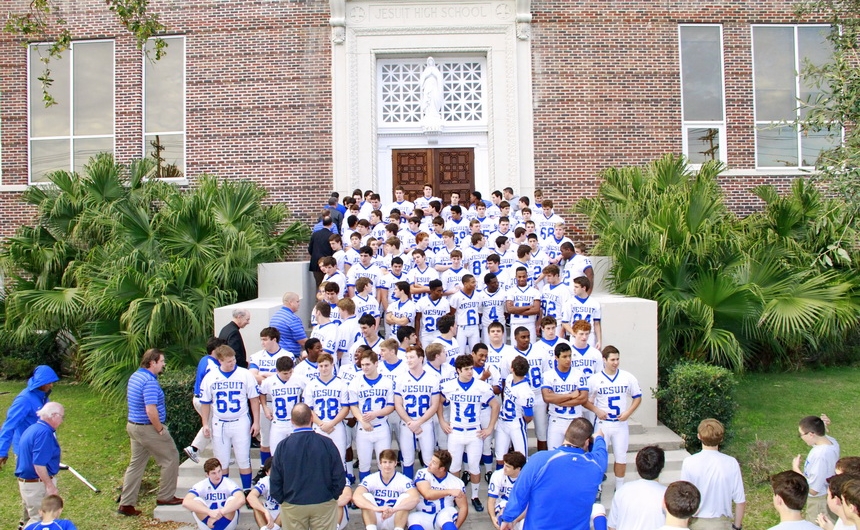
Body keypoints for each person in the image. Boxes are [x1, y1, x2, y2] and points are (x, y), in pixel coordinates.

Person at [500, 417, 608, 530]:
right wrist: (599, 437)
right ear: (586, 442)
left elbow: (520, 492)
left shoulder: (539, 460)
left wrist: (507, 518)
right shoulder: (596, 465)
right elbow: (601, 451)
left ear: (566, 432)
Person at [118, 349, 181, 517]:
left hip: (133, 426)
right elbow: (150, 409)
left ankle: (126, 503)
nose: (164, 364)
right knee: (171, 458)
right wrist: (159, 428)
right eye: (161, 361)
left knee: (136, 464)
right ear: (152, 362)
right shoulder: (149, 382)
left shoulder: (135, 376)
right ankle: (166, 497)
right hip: (148, 428)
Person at [438, 354, 500, 512]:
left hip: (474, 432)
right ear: (458, 370)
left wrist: (490, 427)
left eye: (471, 368)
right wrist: (442, 421)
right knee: (454, 467)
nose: (470, 372)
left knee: (474, 467)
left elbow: (495, 405)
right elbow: (438, 401)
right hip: (456, 432)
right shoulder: (449, 386)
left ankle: (475, 496)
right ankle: (455, 495)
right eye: (466, 369)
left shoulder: (481, 386)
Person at [270, 403, 346, 530]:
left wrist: (283, 500)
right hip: (323, 502)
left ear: (292, 420)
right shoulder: (326, 443)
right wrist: (332, 496)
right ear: (311, 418)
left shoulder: (283, 446)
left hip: (293, 503)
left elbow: (275, 478)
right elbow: (339, 474)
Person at [200, 345, 261, 489]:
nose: (232, 363)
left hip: (240, 421)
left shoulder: (244, 374)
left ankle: (246, 490)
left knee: (243, 458)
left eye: (233, 359)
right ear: (220, 361)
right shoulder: (211, 376)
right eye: (228, 361)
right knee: (222, 461)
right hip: (220, 422)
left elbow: (254, 399)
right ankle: (224, 490)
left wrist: (256, 422)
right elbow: (205, 402)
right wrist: (205, 423)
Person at [585, 345, 642, 491]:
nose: (615, 362)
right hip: (603, 424)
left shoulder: (627, 377)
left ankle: (620, 487)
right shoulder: (595, 379)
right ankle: (597, 487)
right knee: (598, 456)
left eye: (617, 359)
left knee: (621, 456)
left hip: (620, 423)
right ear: (604, 360)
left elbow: (637, 397)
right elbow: (585, 400)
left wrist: (628, 412)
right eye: (612, 359)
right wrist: (597, 410)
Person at [680, 418, 745, 530]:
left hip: (696, 523)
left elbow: (685, 497)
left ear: (699, 436)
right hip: (722, 523)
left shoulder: (689, 462)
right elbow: (740, 500)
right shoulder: (731, 463)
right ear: (721, 439)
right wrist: (737, 526)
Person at [394, 345, 440, 479]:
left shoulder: (432, 378)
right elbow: (398, 404)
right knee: (407, 459)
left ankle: (427, 487)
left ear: (421, 358)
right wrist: (410, 422)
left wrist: (418, 422)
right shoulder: (400, 379)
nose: (409, 360)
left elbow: (434, 404)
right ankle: (409, 488)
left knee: (428, 459)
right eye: (407, 357)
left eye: (412, 357)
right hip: (406, 423)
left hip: (425, 423)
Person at [348, 349, 395, 481]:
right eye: (362, 365)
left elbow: (391, 406)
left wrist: (376, 413)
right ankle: (365, 493)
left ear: (376, 363)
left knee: (385, 463)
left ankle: (385, 491)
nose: (365, 367)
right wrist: (362, 421)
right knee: (364, 464)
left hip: (381, 426)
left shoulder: (387, 382)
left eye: (368, 364)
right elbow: (354, 406)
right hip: (363, 428)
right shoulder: (356, 382)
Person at [0, 365, 59, 471]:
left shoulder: (43, 397)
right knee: (32, 485)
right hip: (27, 452)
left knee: (46, 483)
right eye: (48, 382)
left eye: (52, 382)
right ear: (40, 383)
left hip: (42, 448)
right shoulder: (24, 400)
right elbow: (9, 425)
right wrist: (2, 451)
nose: (51, 385)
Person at [15, 402, 65, 527]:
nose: (62, 421)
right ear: (53, 415)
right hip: (36, 484)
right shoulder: (44, 433)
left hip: (28, 483)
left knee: (30, 518)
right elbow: (39, 464)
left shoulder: (33, 428)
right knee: (39, 519)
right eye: (61, 417)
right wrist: (50, 486)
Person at [353, 448, 420, 530]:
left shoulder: (404, 480)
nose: (387, 465)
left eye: (390, 462)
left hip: (394, 517)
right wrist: (376, 508)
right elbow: (356, 497)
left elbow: (415, 498)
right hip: (377, 516)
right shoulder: (371, 478)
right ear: (380, 463)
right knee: (366, 496)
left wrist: (394, 509)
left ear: (395, 463)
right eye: (385, 462)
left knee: (405, 497)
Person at [541, 342, 588, 451]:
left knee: (575, 454)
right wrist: (571, 395)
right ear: (556, 357)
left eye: (570, 356)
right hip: (556, 420)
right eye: (564, 357)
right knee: (554, 454)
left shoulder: (579, 374)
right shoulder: (548, 375)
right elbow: (547, 398)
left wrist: (557, 400)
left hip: (575, 420)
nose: (568, 359)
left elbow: (583, 398)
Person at [185, 336, 225, 464]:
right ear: (215, 350)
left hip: (199, 399)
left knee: (212, 425)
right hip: (204, 401)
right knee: (212, 425)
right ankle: (194, 448)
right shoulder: (212, 365)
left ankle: (220, 457)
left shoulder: (204, 360)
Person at [608, 446, 668, 530]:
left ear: (637, 466)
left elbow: (612, 526)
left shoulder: (622, 491)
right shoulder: (668, 495)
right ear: (662, 467)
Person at [793, 415, 840, 522]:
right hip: (826, 495)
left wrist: (796, 469)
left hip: (819, 503)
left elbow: (813, 490)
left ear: (811, 434)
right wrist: (822, 425)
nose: (801, 438)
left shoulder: (820, 456)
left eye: (801, 435)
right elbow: (822, 435)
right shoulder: (832, 442)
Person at [409, 450, 469, 530]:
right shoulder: (423, 473)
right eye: (431, 460)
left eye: (434, 463)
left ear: (441, 469)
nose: (429, 464)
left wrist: (456, 527)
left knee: (446, 515)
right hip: (423, 514)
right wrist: (449, 491)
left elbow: (463, 507)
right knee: (412, 518)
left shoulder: (456, 482)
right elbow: (428, 495)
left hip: (443, 515)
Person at [182, 457, 246, 530]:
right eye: (213, 473)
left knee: (233, 499)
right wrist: (209, 512)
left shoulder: (229, 483)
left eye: (219, 471)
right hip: (207, 523)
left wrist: (220, 513)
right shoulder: (201, 485)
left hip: (226, 523)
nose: (218, 476)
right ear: (207, 474)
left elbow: (241, 499)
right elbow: (186, 502)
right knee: (196, 500)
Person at [495, 356, 534, 466]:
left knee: (521, 458)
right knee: (500, 457)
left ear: (512, 368)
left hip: (515, 423)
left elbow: (529, 416)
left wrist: (520, 423)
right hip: (503, 421)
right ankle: (501, 482)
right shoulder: (509, 379)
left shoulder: (525, 390)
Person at [488, 451, 527, 530]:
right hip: (502, 504)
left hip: (521, 506)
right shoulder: (498, 475)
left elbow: (530, 504)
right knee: (504, 517)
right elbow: (491, 500)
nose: (504, 468)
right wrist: (493, 517)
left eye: (508, 466)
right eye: (504, 465)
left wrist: (516, 521)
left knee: (524, 524)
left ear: (518, 469)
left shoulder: (527, 478)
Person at [270, 292, 308, 359]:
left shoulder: (274, 316)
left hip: (276, 354)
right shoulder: (293, 319)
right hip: (289, 357)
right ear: (291, 302)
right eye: (297, 301)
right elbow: (303, 341)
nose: (299, 304)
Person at [247, 459, 282, 530]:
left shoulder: (288, 481)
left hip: (282, 516)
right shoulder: (265, 481)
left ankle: (274, 528)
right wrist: (265, 511)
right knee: (256, 505)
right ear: (267, 473)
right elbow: (250, 497)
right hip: (269, 513)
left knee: (287, 507)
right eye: (272, 471)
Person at [309, 215, 336, 286]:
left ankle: (319, 297)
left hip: (315, 263)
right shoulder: (332, 236)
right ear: (331, 224)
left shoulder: (315, 234)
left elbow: (310, 249)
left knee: (319, 285)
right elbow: (333, 250)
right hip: (328, 263)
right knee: (328, 285)